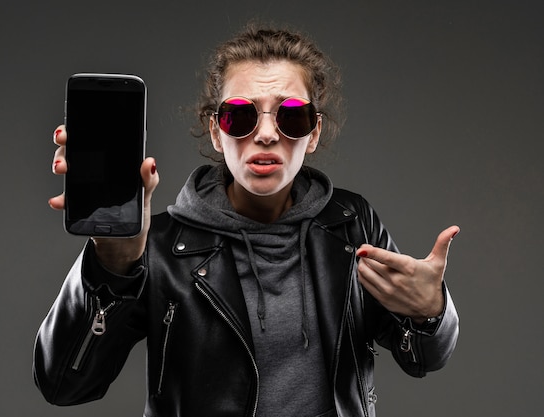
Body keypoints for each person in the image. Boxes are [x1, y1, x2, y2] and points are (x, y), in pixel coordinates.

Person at [34, 25, 459, 417]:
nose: (268, 134)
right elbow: (63, 385)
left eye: (291, 115)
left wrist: (430, 313)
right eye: (240, 115)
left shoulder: (350, 224)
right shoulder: (161, 245)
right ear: (216, 131)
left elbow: (421, 358)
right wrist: (112, 265)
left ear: (313, 133)